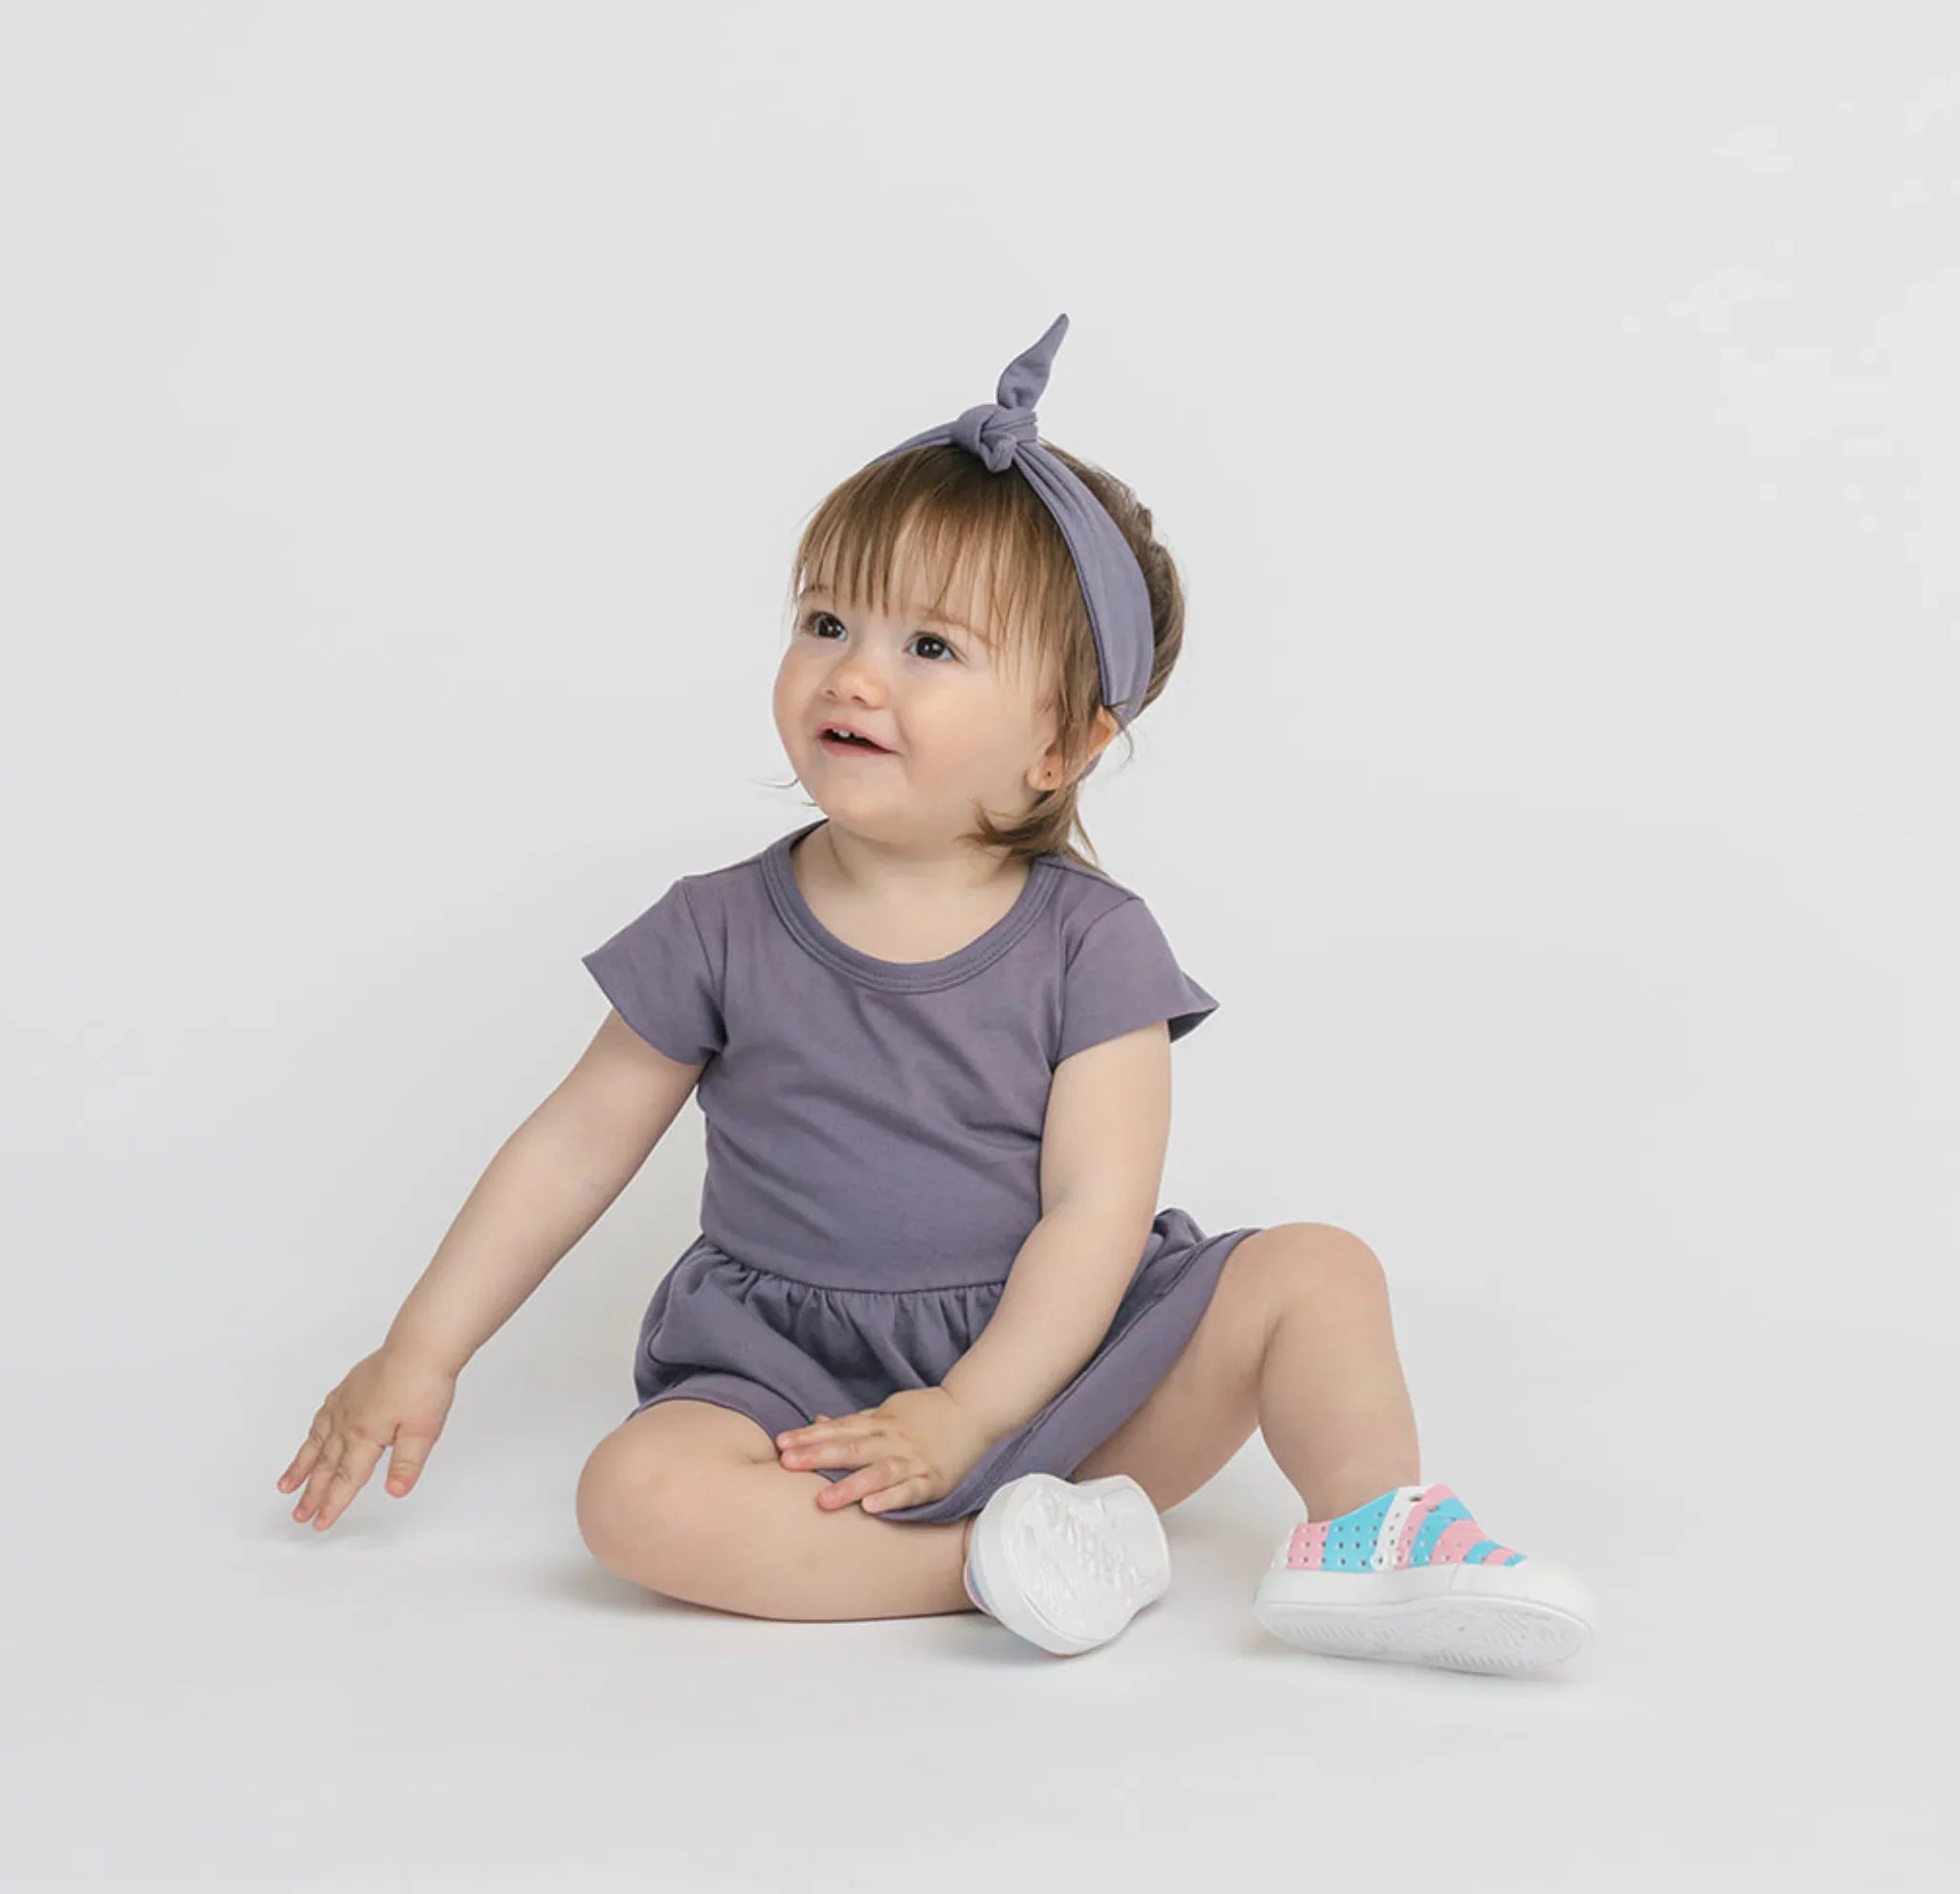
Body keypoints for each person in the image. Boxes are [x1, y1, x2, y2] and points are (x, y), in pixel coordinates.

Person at [275, 314, 1600, 1673]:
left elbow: (1098, 1213)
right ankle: (1000, 1564)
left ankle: (1370, 1540)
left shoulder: (1096, 945)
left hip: (1065, 1367)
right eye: (828, 620)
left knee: (1318, 1270)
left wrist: (973, 1416)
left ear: (1064, 744)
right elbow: (569, 1146)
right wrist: (419, 1350)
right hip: (788, 1387)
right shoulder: (719, 926)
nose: (853, 669)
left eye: (932, 647)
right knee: (633, 1501)